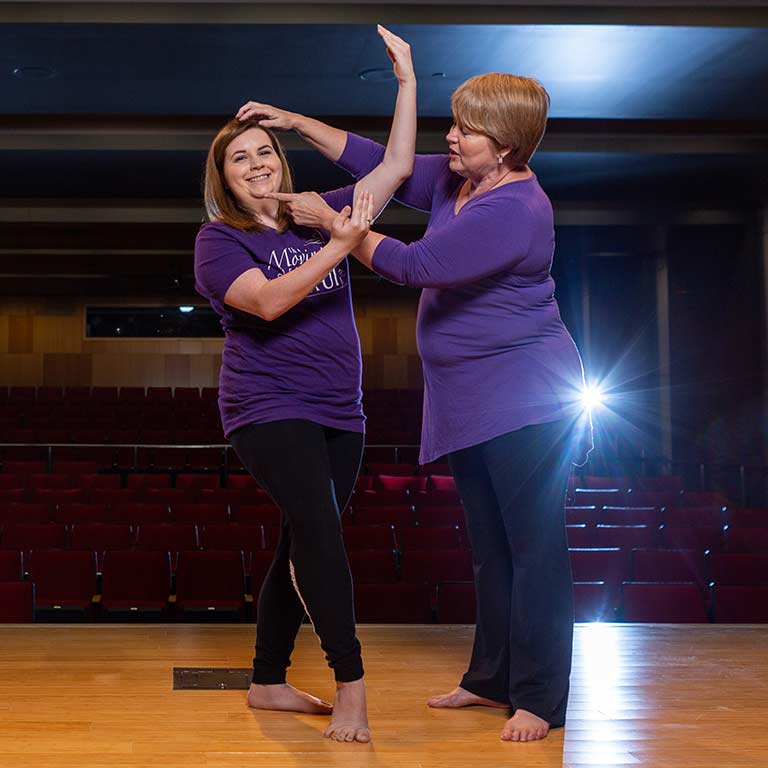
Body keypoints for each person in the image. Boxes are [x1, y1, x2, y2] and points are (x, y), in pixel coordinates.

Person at [251, 72, 592, 743]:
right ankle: (490, 677)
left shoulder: (516, 211)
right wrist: (296, 120)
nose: (452, 136)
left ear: (507, 146)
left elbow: (414, 265)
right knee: (491, 551)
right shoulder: (461, 178)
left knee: (535, 552)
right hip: (472, 402)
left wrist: (335, 224)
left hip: (527, 400)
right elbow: (379, 164)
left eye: (468, 130)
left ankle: (541, 699)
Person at [194, 26, 416, 744]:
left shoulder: (318, 206)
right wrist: (342, 243)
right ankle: (351, 684)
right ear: (222, 177)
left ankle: (265, 680)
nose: (255, 164)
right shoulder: (219, 240)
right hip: (267, 408)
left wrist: (406, 82)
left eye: (263, 150)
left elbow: (400, 167)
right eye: (239, 158)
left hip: (339, 410)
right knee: (319, 532)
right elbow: (267, 302)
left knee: (300, 539)